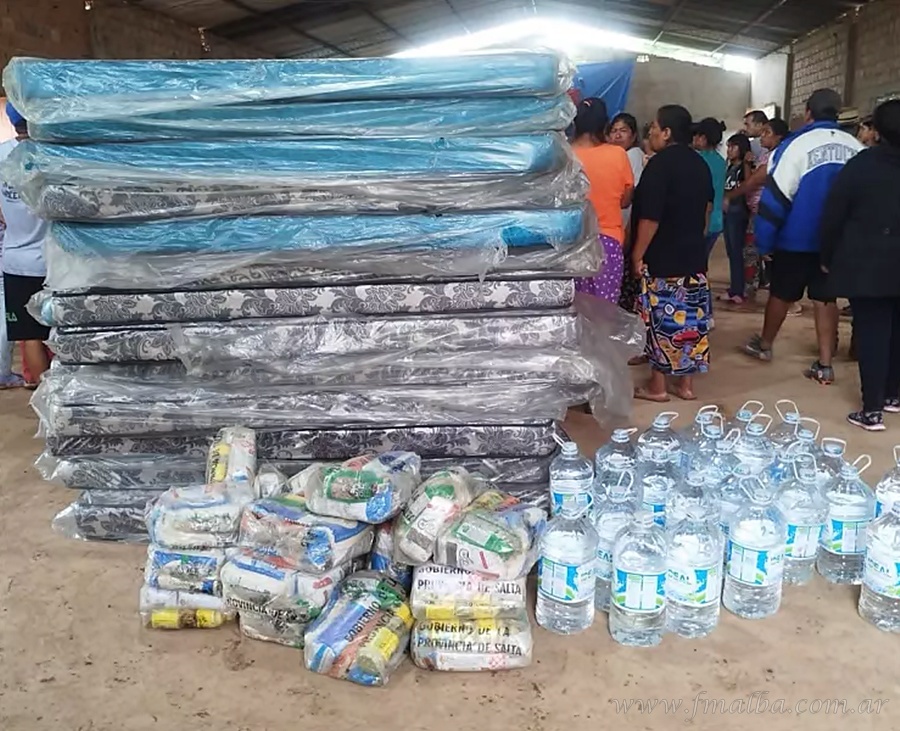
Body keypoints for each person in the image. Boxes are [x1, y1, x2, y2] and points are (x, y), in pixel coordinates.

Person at [741, 89, 864, 384]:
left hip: (795, 238)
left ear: (808, 112)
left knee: (781, 293)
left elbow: (776, 197)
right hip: (836, 243)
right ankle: (825, 364)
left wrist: (765, 240)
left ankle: (765, 345)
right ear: (838, 113)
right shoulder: (856, 148)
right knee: (825, 298)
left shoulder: (794, 145)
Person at [820, 100, 900, 431]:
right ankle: (893, 395)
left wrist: (827, 256)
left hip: (869, 264)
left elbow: (834, 214)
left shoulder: (861, 165)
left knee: (873, 333)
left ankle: (872, 410)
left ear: (877, 132)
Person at [631, 104, 714, 402]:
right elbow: (707, 209)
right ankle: (686, 385)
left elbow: (650, 218)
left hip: (663, 256)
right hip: (693, 255)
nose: (651, 132)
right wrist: (695, 238)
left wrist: (637, 254)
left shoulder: (659, 166)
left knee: (660, 320)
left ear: (667, 132)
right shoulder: (699, 164)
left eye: (654, 127)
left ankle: (658, 387)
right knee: (689, 321)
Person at [0, 102, 51, 386]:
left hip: (16, 262)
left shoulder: (2, 154)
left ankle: (43, 392)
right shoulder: (50, 154)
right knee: (63, 330)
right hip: (54, 261)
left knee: (31, 335)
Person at [570, 98, 634, 304]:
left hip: (570, 243)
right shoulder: (618, 155)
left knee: (571, 307)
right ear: (604, 125)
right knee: (604, 309)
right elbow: (625, 201)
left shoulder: (565, 155)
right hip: (608, 242)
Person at [608, 111, 644, 312]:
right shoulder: (618, 155)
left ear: (633, 135)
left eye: (623, 131)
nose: (617, 135)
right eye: (614, 131)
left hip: (625, 222)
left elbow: (626, 196)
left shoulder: (632, 155)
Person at [721, 133, 752, 303]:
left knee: (737, 250)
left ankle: (739, 289)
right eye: (728, 146)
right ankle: (735, 287)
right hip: (727, 211)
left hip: (738, 211)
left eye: (733, 147)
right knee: (731, 250)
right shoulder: (729, 167)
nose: (729, 150)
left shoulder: (742, 168)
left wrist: (747, 164)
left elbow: (748, 184)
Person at [691, 118, 726, 259]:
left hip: (701, 221)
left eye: (696, 135)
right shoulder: (721, 161)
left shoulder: (698, 160)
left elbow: (703, 195)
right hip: (716, 221)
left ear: (703, 138)